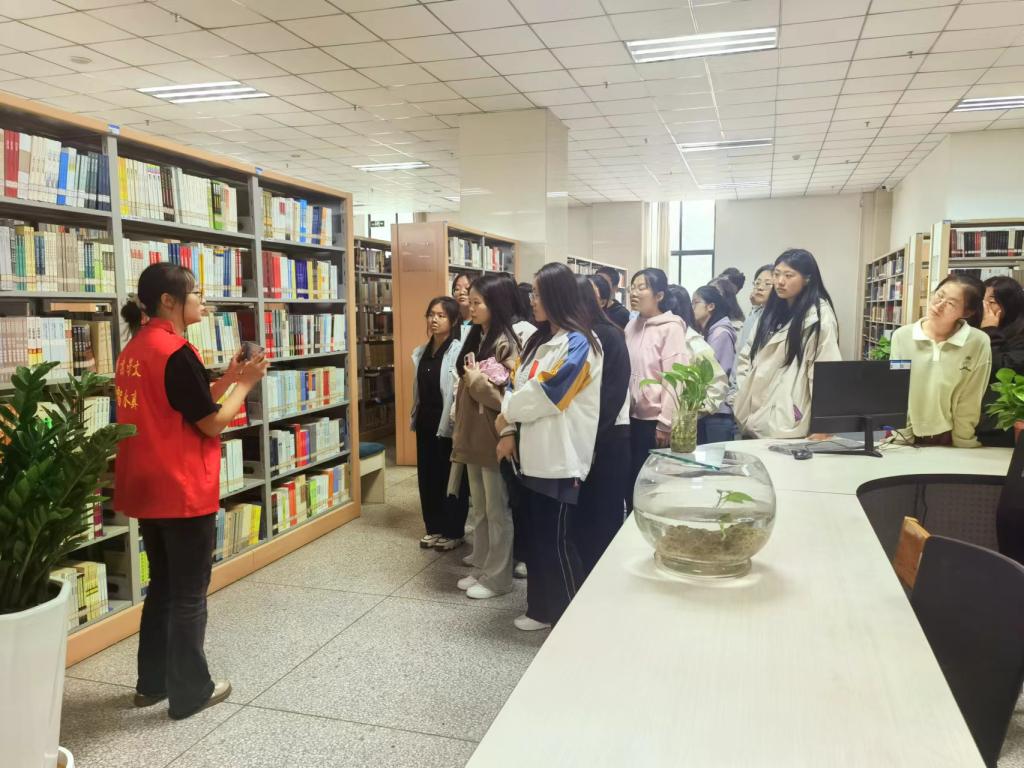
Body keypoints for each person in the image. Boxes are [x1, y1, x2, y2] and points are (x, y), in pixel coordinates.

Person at [114, 262, 268, 720]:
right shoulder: (175, 351)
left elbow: (182, 404)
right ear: (169, 301)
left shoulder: (136, 348)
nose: (203, 300)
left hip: (148, 486)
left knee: (163, 586)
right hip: (180, 487)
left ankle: (152, 684)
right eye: (195, 292)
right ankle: (190, 692)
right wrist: (247, 384)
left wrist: (228, 378)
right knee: (188, 593)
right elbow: (211, 422)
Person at [496, 263, 603, 630]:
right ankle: (541, 609)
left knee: (556, 542)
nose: (532, 300)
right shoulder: (539, 342)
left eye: (539, 295)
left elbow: (549, 394)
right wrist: (511, 413)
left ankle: (569, 617)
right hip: (531, 458)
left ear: (558, 297)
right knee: (538, 540)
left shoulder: (581, 344)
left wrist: (508, 411)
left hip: (560, 459)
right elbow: (515, 383)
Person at [451, 274, 521, 599]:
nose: (471, 307)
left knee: (496, 510)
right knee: (479, 508)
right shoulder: (477, 336)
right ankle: (481, 565)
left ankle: (498, 577)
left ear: (496, 304)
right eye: (471, 301)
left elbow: (505, 397)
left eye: (478, 302)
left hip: (493, 437)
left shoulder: (507, 342)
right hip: (472, 435)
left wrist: (476, 382)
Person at [733, 249, 841, 439]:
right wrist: (744, 391)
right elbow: (746, 355)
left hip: (788, 419)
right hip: (753, 413)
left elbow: (825, 372)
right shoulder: (770, 312)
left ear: (807, 279)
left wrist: (823, 427)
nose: (780, 281)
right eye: (776, 274)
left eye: (789, 275)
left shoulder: (818, 317)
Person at [889, 273, 992, 447]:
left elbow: (970, 397)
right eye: (939, 295)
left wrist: (963, 440)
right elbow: (897, 389)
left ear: (967, 312)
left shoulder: (978, 342)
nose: (939, 305)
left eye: (951, 303)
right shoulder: (903, 336)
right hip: (906, 434)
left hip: (949, 436)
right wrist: (902, 437)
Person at [576, 275, 630, 576]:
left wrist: (592, 439)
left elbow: (612, 393)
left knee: (603, 513)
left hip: (607, 437)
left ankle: (602, 578)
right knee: (585, 514)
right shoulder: (575, 334)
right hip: (583, 436)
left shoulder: (609, 335)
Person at [624, 268, 689, 504]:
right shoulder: (631, 326)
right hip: (629, 417)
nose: (634, 293)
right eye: (632, 287)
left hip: (653, 421)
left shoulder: (671, 328)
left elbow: (675, 377)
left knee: (650, 485)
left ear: (659, 295)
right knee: (630, 482)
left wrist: (666, 422)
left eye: (642, 288)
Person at [411, 296, 467, 551]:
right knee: (427, 476)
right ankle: (432, 527)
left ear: (453, 321)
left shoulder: (458, 351)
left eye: (441, 315)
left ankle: (453, 530)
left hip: (448, 424)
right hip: (425, 422)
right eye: (431, 314)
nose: (434, 320)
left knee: (451, 479)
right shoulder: (421, 351)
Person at [978, 276, 1024, 446]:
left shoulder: (1019, 334)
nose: (984, 306)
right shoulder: (977, 326)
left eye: (992, 302)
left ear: (1010, 304)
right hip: (973, 418)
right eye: (982, 300)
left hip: (1001, 424)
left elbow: (1002, 371)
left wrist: (991, 331)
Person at [691, 284, 737, 444]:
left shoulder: (720, 333)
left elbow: (716, 373)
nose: (692, 308)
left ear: (710, 306)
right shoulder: (709, 332)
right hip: (711, 410)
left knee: (716, 457)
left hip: (718, 411)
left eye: (696, 303)